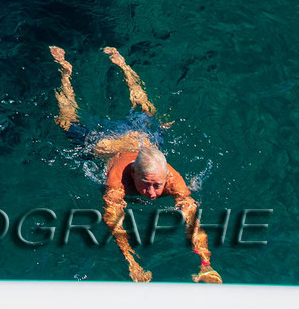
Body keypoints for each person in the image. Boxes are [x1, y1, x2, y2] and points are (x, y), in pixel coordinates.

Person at [48, 43, 222, 284]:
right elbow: (115, 223)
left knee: (145, 107)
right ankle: (64, 71)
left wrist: (206, 264)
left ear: (165, 177)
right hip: (105, 144)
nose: (151, 193)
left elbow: (194, 224)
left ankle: (122, 64)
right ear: (134, 173)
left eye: (156, 185)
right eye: (145, 184)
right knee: (66, 121)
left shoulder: (174, 182)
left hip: (141, 139)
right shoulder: (117, 181)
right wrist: (131, 261)